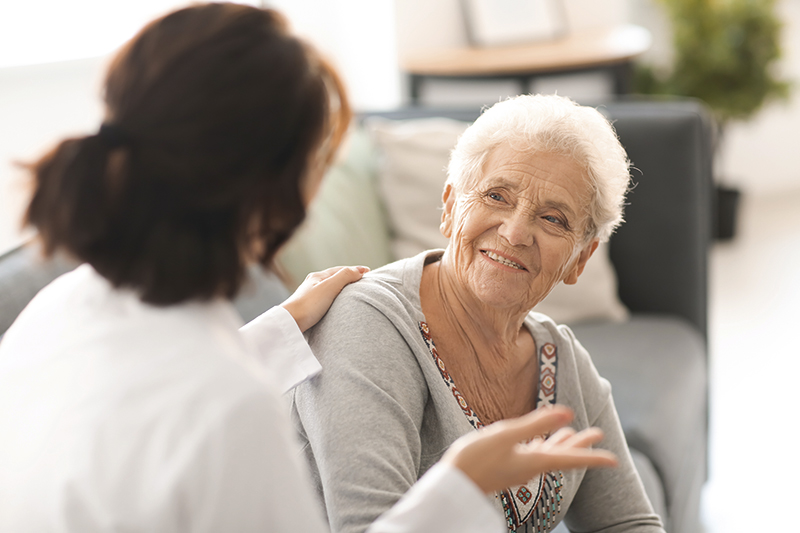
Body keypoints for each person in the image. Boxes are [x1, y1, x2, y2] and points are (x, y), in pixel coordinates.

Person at [0, 5, 618, 532]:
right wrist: (458, 487)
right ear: (282, 191)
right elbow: (193, 408)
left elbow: (147, 404)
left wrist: (278, 331)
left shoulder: (59, 309)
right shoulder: (229, 405)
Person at [291, 94, 667, 533]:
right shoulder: (367, 322)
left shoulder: (561, 360)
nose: (515, 231)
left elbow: (629, 523)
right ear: (450, 208)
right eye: (496, 196)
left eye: (553, 219)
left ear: (580, 260)